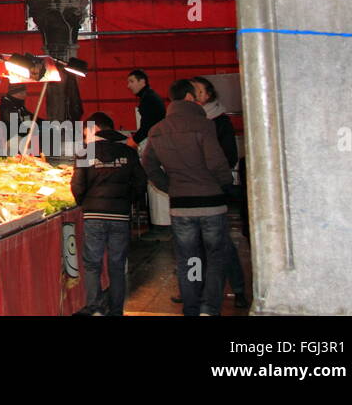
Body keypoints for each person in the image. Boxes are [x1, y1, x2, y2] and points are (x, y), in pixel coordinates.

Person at [142, 79, 233, 316]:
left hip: (181, 206)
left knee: (189, 259)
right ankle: (208, 308)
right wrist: (225, 184)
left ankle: (191, 307)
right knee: (215, 258)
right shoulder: (203, 125)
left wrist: (170, 187)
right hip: (211, 202)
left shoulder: (157, 130)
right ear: (191, 98)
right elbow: (216, 162)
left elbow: (148, 165)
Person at [72, 112, 146, 315]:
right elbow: (141, 183)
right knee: (117, 265)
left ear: (95, 129)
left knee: (92, 264)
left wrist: (85, 203)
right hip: (120, 216)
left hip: (93, 215)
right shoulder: (128, 152)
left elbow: (77, 186)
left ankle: (94, 308)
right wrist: (127, 202)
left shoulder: (85, 152)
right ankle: (116, 311)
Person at [191, 76, 249, 308]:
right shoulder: (189, 121)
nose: (193, 95)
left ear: (208, 95)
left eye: (197, 91)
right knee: (194, 247)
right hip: (192, 192)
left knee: (221, 244)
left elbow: (229, 156)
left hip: (213, 191)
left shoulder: (220, 122)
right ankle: (195, 290)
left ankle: (238, 288)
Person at [127, 69, 169, 239]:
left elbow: (147, 126)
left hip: (155, 147)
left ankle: (162, 226)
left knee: (155, 184)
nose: (128, 85)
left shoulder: (149, 99)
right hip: (155, 145)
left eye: (131, 81)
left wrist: (133, 140)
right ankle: (159, 224)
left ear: (142, 81)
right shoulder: (149, 98)